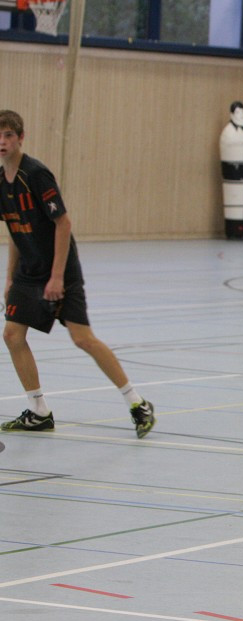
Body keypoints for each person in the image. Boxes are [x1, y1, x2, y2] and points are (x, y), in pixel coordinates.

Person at [0, 110, 155, 438]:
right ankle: (39, 411)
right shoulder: (1, 182)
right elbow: (15, 230)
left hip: (60, 269)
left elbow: (64, 223)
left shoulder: (36, 174)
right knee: (12, 335)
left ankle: (137, 403)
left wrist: (57, 277)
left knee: (82, 338)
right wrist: (10, 277)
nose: (2, 142)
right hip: (29, 272)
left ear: (20, 138)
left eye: (8, 135)